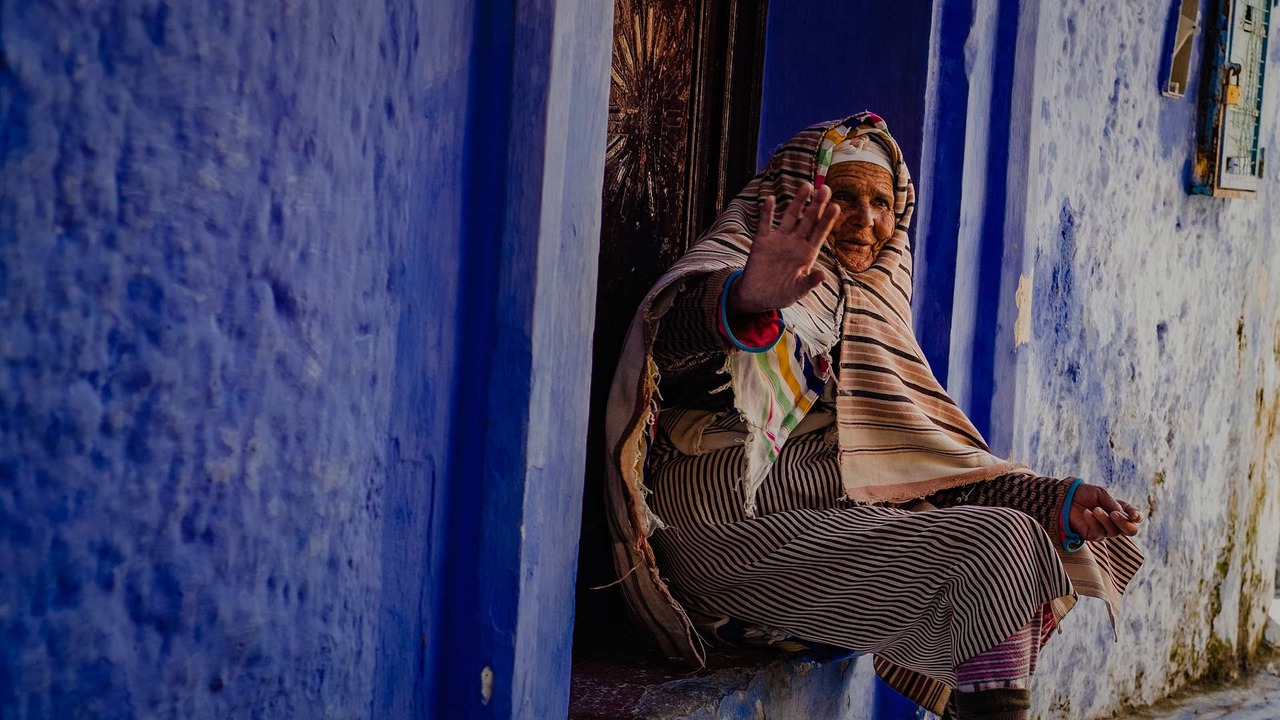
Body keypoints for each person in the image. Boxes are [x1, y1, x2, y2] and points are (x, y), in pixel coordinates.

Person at [602, 113, 1144, 720]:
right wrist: (747, 301)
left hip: (818, 530)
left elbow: (914, 468)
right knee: (1000, 545)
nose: (866, 219)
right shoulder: (745, 267)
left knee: (1017, 544)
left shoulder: (877, 311)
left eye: (882, 203)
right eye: (844, 197)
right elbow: (669, 349)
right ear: (800, 198)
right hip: (716, 533)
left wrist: (1053, 499)